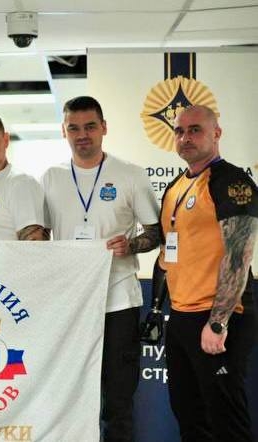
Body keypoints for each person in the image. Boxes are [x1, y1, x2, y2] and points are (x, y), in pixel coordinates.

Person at [41, 96, 160, 442]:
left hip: (118, 301)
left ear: (104, 128)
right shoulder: (51, 177)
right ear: (64, 131)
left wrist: (131, 245)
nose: (82, 135)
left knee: (117, 400)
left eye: (90, 126)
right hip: (70, 304)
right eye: (74, 128)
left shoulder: (131, 174)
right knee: (70, 397)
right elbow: (39, 236)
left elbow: (156, 233)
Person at [158, 105, 258, 441]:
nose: (185, 137)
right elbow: (169, 248)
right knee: (189, 416)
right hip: (181, 316)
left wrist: (218, 323)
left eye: (195, 129)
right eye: (179, 131)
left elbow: (239, 256)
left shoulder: (231, 181)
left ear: (216, 133)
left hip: (219, 317)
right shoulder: (175, 186)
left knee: (226, 419)